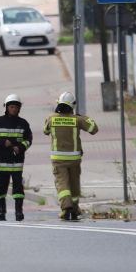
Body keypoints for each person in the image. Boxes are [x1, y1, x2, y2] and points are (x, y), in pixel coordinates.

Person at [43, 90, 98, 221]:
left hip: (58, 160)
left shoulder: (51, 118)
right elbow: (94, 129)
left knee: (62, 184)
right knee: (74, 185)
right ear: (72, 106)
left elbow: (45, 131)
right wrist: (82, 117)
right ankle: (74, 208)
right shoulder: (77, 120)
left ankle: (66, 208)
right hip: (74, 159)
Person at [0, 93, 32, 221]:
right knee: (0, 188)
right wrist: (1, 142)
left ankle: (18, 212)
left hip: (17, 163)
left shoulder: (23, 124)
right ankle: (2, 211)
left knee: (18, 189)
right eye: (11, 107)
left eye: (16, 107)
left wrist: (21, 147)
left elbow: (29, 139)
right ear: (6, 107)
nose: (14, 109)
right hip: (1, 163)